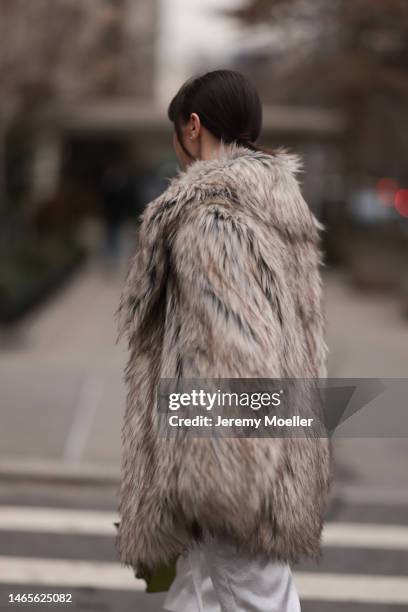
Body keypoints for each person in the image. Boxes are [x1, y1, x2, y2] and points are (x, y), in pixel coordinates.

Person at [114, 69, 332, 611]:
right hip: (261, 442)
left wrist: (219, 476)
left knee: (256, 597)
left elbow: (235, 347)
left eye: (176, 132)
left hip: (224, 459)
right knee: (195, 593)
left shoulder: (211, 216)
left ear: (193, 127)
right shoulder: (274, 208)